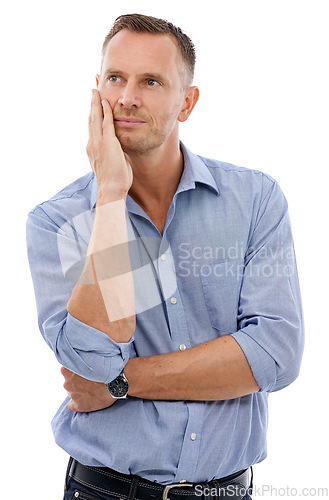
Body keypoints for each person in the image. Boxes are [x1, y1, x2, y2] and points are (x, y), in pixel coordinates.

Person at [26, 13, 304, 500]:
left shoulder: (256, 200)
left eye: (151, 81)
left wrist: (119, 384)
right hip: (103, 492)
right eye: (116, 78)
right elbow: (92, 359)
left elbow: (275, 355)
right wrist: (111, 195)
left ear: (187, 102)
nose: (127, 97)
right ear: (97, 90)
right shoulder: (59, 221)